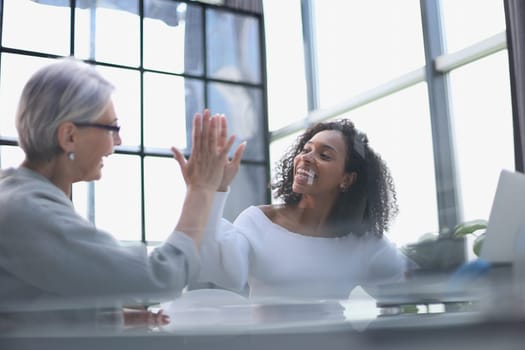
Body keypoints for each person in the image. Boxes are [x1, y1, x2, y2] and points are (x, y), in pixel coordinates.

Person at [0, 57, 240, 334]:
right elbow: (162, 277)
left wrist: (113, 319)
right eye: (112, 128)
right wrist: (201, 189)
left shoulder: (18, 197)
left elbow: (29, 302)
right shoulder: (29, 212)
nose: (118, 141)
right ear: (69, 137)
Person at [196, 118, 409, 303]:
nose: (306, 158)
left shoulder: (362, 240)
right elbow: (225, 271)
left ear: (347, 179)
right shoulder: (258, 221)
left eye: (324, 155)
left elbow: (415, 287)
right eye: (306, 150)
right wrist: (215, 189)